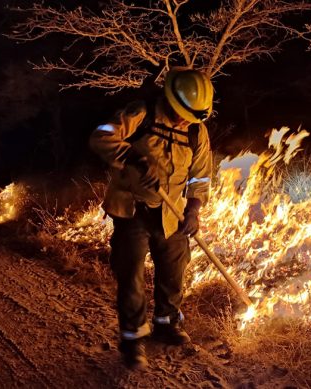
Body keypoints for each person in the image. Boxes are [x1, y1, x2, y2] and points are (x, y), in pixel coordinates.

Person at [89, 67, 213, 369]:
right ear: (169, 100)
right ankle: (133, 340)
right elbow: (100, 136)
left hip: (172, 215)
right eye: (181, 113)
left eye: (191, 116)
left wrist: (193, 209)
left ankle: (167, 324)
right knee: (131, 274)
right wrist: (131, 157)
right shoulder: (140, 113)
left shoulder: (196, 130)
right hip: (133, 210)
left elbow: (200, 177)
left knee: (174, 270)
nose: (185, 120)